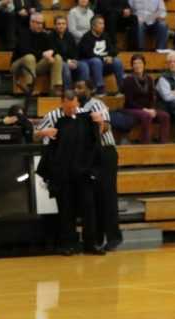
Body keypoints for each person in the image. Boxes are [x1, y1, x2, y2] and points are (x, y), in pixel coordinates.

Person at [34, 89, 100, 255]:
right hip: (62, 171)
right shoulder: (52, 116)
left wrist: (100, 123)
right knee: (66, 210)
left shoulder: (86, 115)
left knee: (89, 208)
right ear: (61, 103)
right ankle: (68, 244)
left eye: (74, 106)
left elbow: (100, 133)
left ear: (78, 102)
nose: (71, 110)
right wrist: (44, 132)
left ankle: (90, 244)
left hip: (83, 170)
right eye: (68, 107)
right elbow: (34, 135)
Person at [74, 79, 120, 252]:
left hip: (105, 152)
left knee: (108, 196)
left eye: (80, 88)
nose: (77, 90)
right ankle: (97, 238)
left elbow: (106, 126)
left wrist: (94, 129)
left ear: (90, 90)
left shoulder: (97, 104)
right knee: (94, 199)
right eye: (76, 88)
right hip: (89, 155)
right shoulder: (76, 108)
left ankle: (114, 237)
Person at [121, 53, 170, 143]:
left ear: (144, 64)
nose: (137, 65)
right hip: (131, 108)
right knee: (146, 116)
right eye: (135, 63)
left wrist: (151, 109)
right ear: (132, 66)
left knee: (165, 116)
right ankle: (145, 143)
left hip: (147, 109)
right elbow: (129, 101)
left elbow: (152, 97)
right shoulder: (128, 80)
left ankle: (163, 143)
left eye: (139, 63)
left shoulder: (149, 79)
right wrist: (145, 110)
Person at [11, 11, 63, 96]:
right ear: (31, 22)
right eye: (38, 23)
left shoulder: (44, 35)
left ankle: (55, 87)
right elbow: (24, 50)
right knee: (30, 57)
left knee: (57, 57)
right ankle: (30, 86)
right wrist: (43, 54)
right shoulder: (23, 33)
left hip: (35, 66)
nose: (40, 26)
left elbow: (55, 48)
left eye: (42, 23)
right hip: (19, 65)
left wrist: (51, 52)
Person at [78, 15, 124, 95]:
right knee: (96, 61)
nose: (103, 26)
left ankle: (122, 88)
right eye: (100, 24)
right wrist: (104, 58)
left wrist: (110, 56)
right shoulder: (86, 37)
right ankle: (100, 88)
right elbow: (88, 54)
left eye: (103, 24)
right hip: (90, 63)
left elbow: (114, 49)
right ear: (93, 26)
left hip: (104, 63)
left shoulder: (105, 36)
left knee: (117, 61)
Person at [51, 15, 89, 89]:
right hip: (58, 62)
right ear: (55, 25)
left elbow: (75, 51)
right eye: (59, 24)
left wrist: (74, 60)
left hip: (70, 60)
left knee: (83, 65)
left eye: (63, 24)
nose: (61, 26)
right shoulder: (50, 36)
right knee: (65, 67)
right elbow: (55, 53)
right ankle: (68, 92)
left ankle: (82, 90)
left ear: (66, 25)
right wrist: (67, 61)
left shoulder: (70, 36)